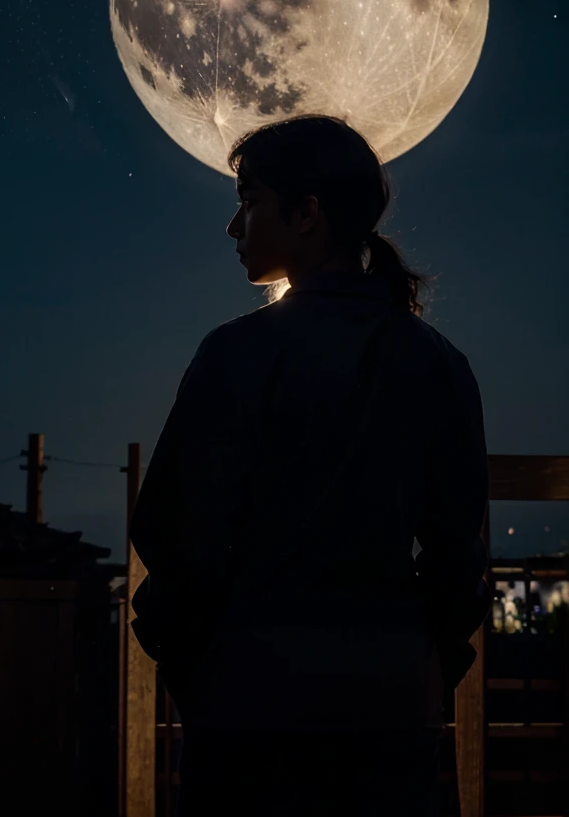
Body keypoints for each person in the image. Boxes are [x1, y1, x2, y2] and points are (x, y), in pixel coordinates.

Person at [128, 114, 492, 816]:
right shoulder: (439, 362)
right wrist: (420, 662)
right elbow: (458, 556)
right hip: (391, 712)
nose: (234, 228)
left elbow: (180, 537)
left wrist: (194, 665)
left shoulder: (237, 354)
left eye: (248, 202)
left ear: (306, 215)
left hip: (249, 711)